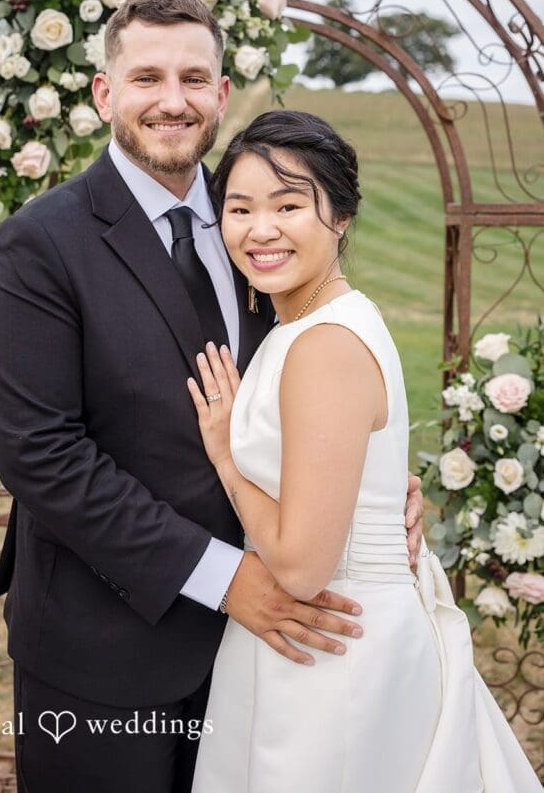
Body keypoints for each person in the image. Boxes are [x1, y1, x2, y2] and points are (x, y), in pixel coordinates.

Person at [0, 0, 424, 793]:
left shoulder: (257, 219)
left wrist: (367, 482)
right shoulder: (41, 243)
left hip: (261, 659)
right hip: (104, 648)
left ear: (222, 94)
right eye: (146, 77)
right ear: (105, 94)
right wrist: (229, 579)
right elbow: (40, 455)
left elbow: (313, 380)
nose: (172, 101)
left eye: (194, 78)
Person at [187, 110, 541, 793]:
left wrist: (226, 459)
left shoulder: (323, 344)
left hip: (331, 649)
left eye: (289, 205)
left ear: (340, 216)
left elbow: (299, 567)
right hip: (319, 638)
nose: (260, 229)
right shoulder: (315, 323)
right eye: (239, 208)